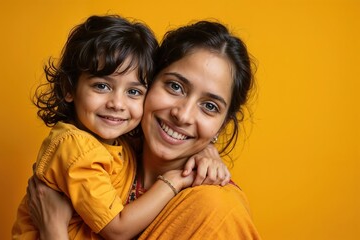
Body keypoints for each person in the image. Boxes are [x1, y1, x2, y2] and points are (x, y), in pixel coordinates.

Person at [27, 19, 261, 239]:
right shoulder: (105, 151)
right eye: (175, 86)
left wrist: (54, 230)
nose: (183, 115)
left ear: (222, 125)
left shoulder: (216, 211)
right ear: (151, 82)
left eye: (210, 106)